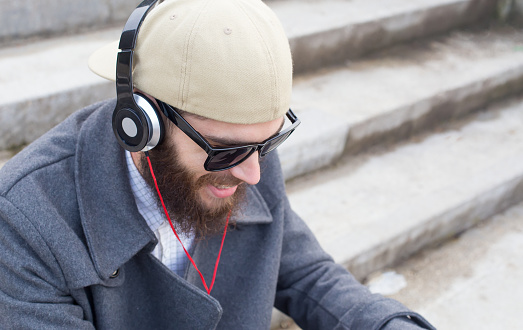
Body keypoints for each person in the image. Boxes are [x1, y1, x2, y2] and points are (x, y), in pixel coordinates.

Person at [0, 0, 435, 328]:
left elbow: (304, 271)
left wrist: (386, 324)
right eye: (226, 150)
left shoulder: (243, 151)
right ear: (141, 122)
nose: (253, 173)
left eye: (269, 142)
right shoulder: (22, 224)